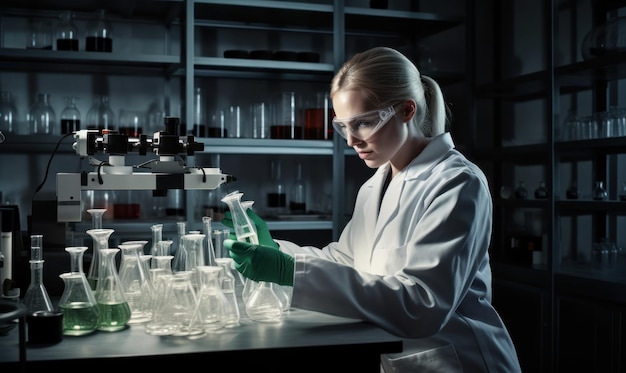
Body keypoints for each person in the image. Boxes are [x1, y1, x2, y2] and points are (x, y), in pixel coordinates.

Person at [222, 46, 521, 372]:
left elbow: (422, 305)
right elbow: (347, 261)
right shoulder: (375, 184)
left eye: (363, 123)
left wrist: (289, 272)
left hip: (459, 359)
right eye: (342, 126)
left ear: (407, 110)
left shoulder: (457, 183)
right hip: (398, 357)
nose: (351, 140)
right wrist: (276, 249)